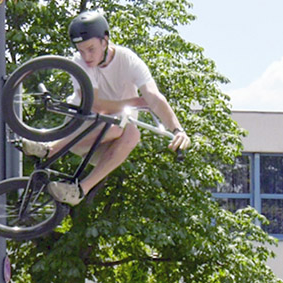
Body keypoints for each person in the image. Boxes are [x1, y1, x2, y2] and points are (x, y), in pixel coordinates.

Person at [19, 10, 191, 205]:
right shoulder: (79, 63)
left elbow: (154, 96)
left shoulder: (128, 60)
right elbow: (96, 105)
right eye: (81, 50)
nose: (86, 56)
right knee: (117, 124)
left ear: (105, 40)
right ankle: (50, 147)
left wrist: (178, 130)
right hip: (76, 129)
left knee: (131, 133)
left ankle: (79, 191)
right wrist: (136, 102)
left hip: (104, 144)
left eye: (91, 49)